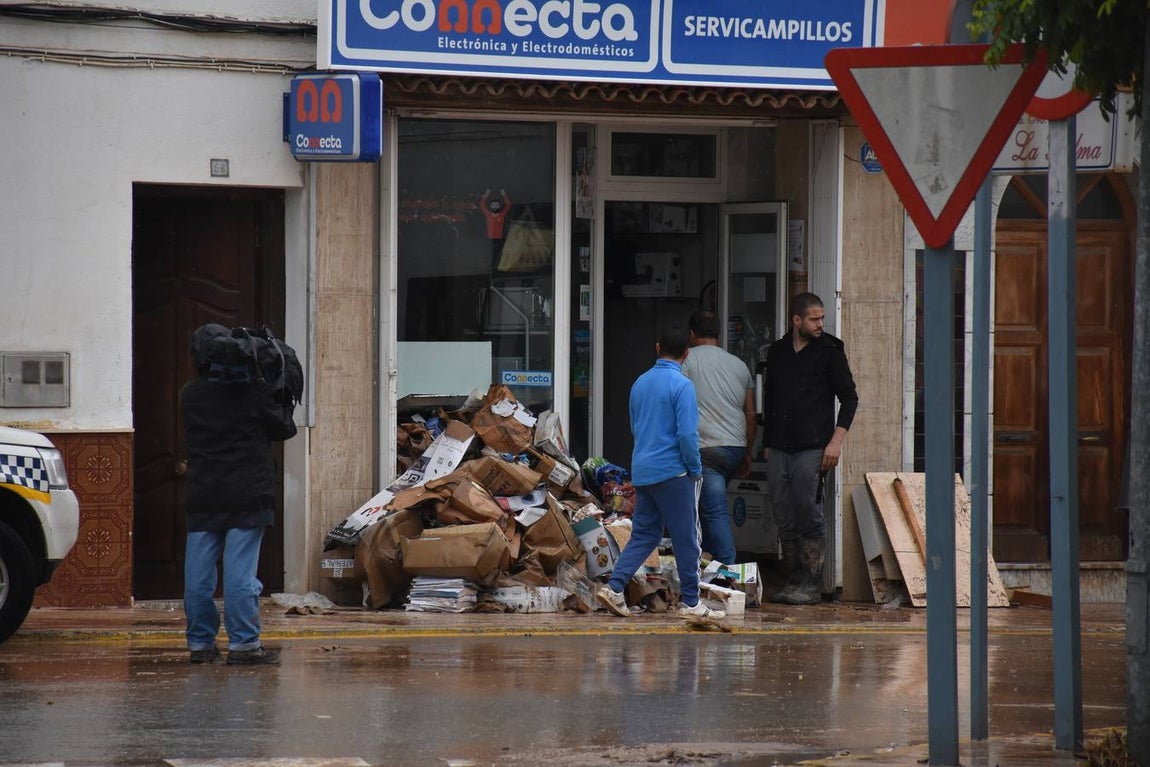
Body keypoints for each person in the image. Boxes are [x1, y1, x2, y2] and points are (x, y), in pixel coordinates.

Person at [181, 323, 298, 665]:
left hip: (205, 493)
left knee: (199, 573)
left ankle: (200, 644)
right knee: (240, 573)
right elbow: (284, 429)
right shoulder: (253, 392)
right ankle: (244, 645)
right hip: (248, 493)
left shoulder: (190, 393)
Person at [596, 324, 725, 620]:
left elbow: (635, 427)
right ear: (687, 354)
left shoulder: (640, 383)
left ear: (657, 348)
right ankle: (691, 603)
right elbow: (687, 437)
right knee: (686, 538)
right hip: (674, 473)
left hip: (643, 471)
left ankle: (614, 587)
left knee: (645, 534)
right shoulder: (682, 386)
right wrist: (694, 469)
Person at [759, 293, 858, 605]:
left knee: (807, 510)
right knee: (782, 511)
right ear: (796, 320)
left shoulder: (830, 350)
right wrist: (765, 443)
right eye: (814, 319)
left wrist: (835, 443)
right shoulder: (776, 352)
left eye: (822, 318)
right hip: (778, 446)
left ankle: (811, 583)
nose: (820, 324)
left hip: (813, 446)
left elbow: (850, 399)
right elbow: (770, 399)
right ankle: (791, 578)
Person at [681, 309, 757, 566]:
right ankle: (711, 566)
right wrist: (747, 453)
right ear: (718, 333)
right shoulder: (739, 365)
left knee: (713, 512)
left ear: (691, 334)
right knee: (707, 508)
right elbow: (751, 414)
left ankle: (729, 568)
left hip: (707, 450)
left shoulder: (687, 362)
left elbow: (677, 403)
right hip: (734, 448)